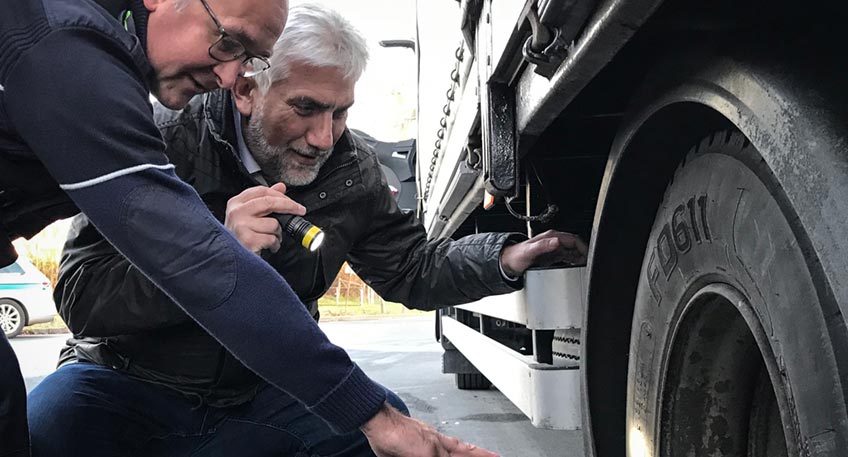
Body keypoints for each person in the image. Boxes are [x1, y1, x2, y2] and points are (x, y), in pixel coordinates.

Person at [26, 3, 589, 456]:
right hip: (128, 385)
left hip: (261, 397)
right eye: (306, 108)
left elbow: (411, 270)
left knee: (382, 436)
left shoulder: (355, 172)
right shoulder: (157, 140)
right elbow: (81, 296)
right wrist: (213, 249)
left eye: (340, 112)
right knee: (42, 429)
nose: (325, 136)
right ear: (245, 88)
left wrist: (502, 259)